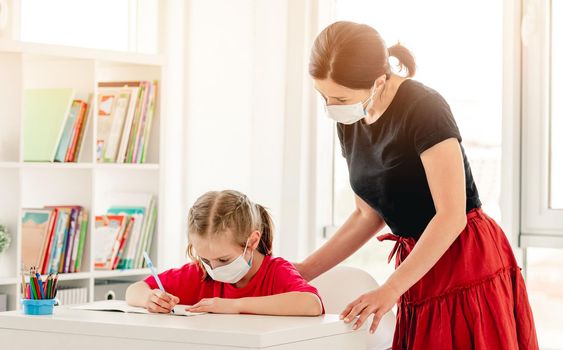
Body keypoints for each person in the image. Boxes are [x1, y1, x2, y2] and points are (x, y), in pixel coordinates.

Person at [295, 21, 538, 349]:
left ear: (379, 81)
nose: (330, 107)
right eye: (322, 95)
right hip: (417, 264)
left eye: (339, 97)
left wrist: (390, 289)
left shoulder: (424, 107)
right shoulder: (350, 119)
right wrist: (303, 271)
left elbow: (451, 215)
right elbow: (366, 215)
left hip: (462, 256)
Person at [126, 190, 323, 316]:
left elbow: (311, 304)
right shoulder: (201, 274)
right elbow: (134, 290)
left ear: (252, 241)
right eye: (205, 259)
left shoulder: (275, 272)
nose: (214, 268)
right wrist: (149, 298)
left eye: (223, 259)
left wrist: (235, 305)